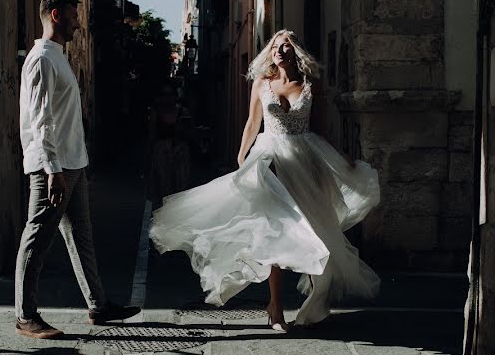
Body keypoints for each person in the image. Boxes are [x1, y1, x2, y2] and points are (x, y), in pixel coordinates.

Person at [149, 30, 380, 331]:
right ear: (270, 54)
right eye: (275, 48)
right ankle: (276, 308)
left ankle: (313, 304)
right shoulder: (262, 83)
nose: (280, 52)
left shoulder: (310, 86)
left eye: (286, 48)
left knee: (315, 235)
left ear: (295, 53)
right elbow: (252, 123)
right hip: (270, 164)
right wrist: (242, 158)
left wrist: (344, 159)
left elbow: (322, 130)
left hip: (306, 166)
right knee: (275, 236)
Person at [14, 0, 139, 339]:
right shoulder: (41, 58)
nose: (77, 23)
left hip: (72, 163)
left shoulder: (58, 57)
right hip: (51, 167)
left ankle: (98, 305)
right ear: (55, 15)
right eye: (72, 16)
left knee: (81, 236)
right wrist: (53, 169)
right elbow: (42, 120)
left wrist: (75, 165)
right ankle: (25, 317)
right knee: (36, 238)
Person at [145, 80, 191, 207]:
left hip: (179, 154)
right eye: (164, 95)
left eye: (169, 94)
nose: (167, 98)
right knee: (163, 188)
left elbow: (188, 132)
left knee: (180, 188)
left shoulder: (182, 112)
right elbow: (152, 135)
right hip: (161, 155)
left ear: (175, 96)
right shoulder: (156, 113)